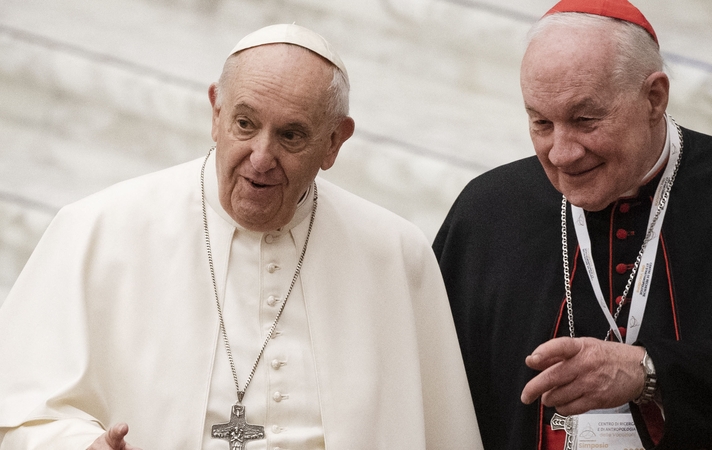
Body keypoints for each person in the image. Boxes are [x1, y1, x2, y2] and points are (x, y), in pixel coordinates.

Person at [0, 24, 482, 449]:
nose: (260, 157)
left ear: (335, 141)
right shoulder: (98, 230)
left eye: (291, 135)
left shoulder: (395, 254)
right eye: (245, 124)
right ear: (216, 112)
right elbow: (17, 416)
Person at [433, 0, 712, 449]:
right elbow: (432, 379)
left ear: (654, 97)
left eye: (585, 120)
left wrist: (648, 372)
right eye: (541, 123)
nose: (562, 153)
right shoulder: (487, 210)